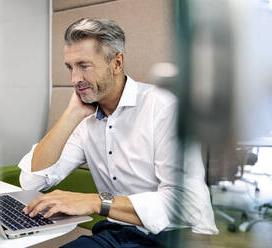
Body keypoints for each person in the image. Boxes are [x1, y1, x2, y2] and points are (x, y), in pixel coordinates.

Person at [18, 18, 218, 247]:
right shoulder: (86, 117)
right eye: (70, 67)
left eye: (84, 65)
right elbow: (30, 181)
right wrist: (71, 114)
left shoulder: (164, 106)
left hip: (176, 236)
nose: (75, 79)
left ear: (116, 63)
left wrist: (96, 203)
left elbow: (187, 205)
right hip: (118, 231)